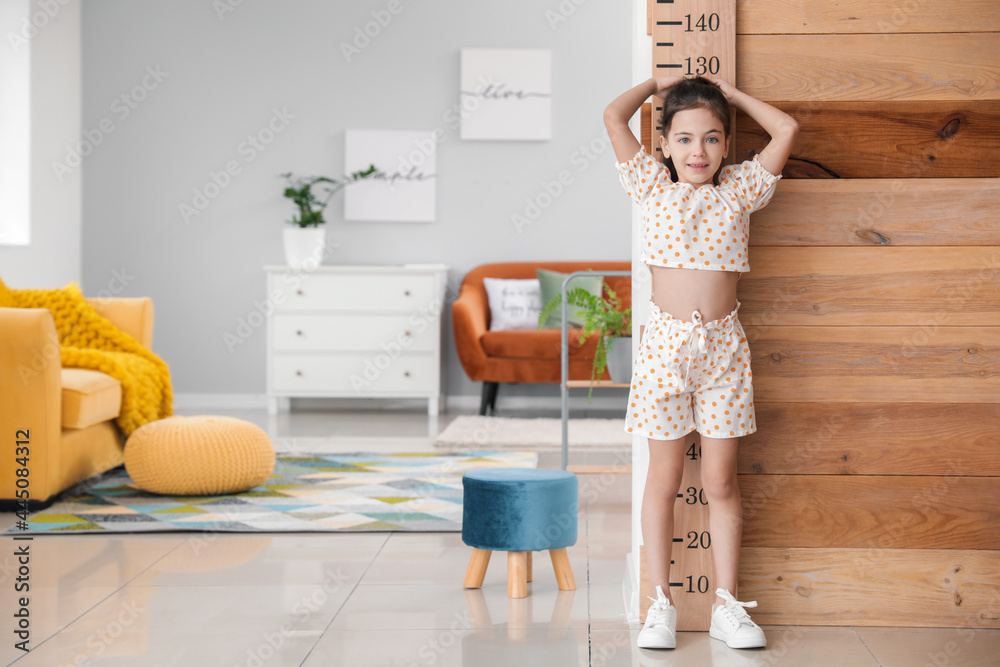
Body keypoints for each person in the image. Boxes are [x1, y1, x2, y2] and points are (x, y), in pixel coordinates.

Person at [603, 76, 797, 650]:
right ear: (664, 144)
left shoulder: (739, 191)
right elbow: (613, 117)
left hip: (723, 352)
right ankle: (659, 604)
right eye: (684, 139)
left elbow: (786, 129)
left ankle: (726, 606)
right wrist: (655, 85)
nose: (698, 151)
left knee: (720, 482)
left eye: (712, 138)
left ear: (726, 145)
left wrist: (732, 97)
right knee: (663, 480)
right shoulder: (651, 187)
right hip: (664, 351)